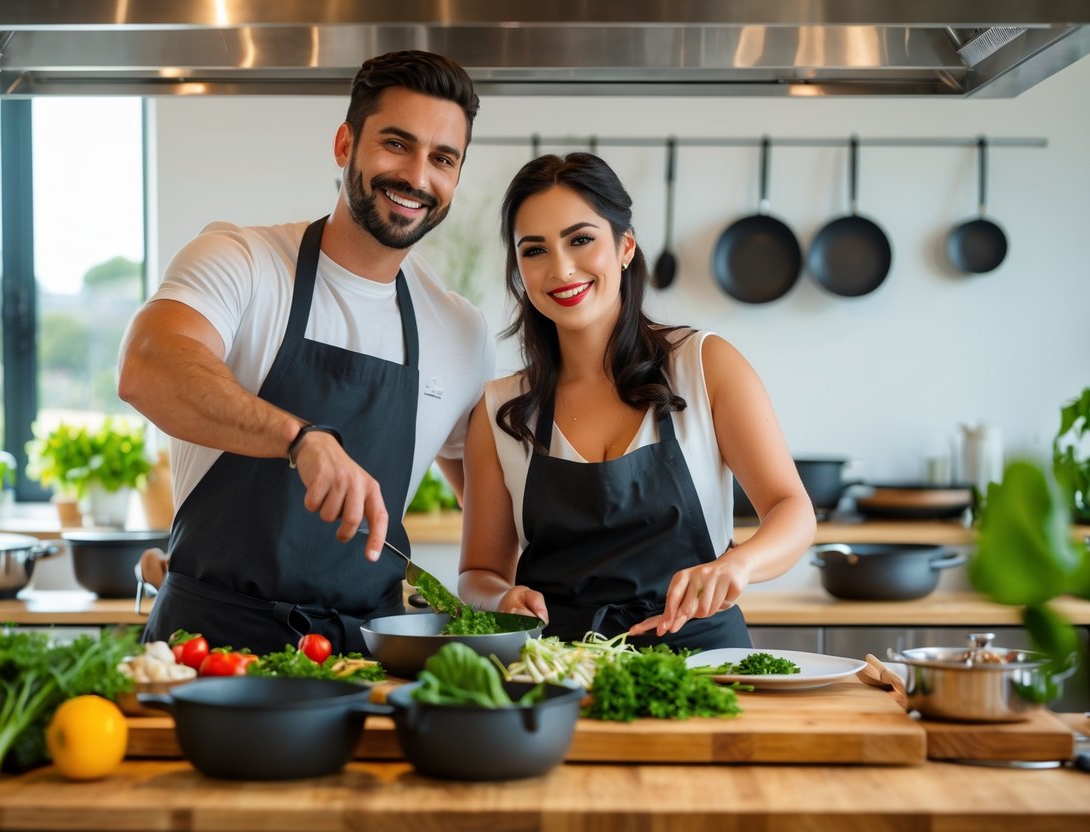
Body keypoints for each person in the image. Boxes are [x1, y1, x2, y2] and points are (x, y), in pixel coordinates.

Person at [118, 50, 494, 655]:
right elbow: (147, 367)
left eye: (443, 159)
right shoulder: (241, 261)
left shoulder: (458, 329)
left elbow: (489, 497)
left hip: (363, 664)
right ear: (345, 144)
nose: (418, 177)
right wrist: (301, 440)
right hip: (207, 653)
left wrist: (505, 587)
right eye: (396, 144)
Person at [457, 153, 816, 651]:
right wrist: (500, 599)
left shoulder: (704, 365)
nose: (560, 269)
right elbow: (478, 573)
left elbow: (792, 509)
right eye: (534, 250)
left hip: (705, 663)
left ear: (625, 246)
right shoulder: (501, 411)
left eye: (581, 240)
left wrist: (739, 563)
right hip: (559, 672)